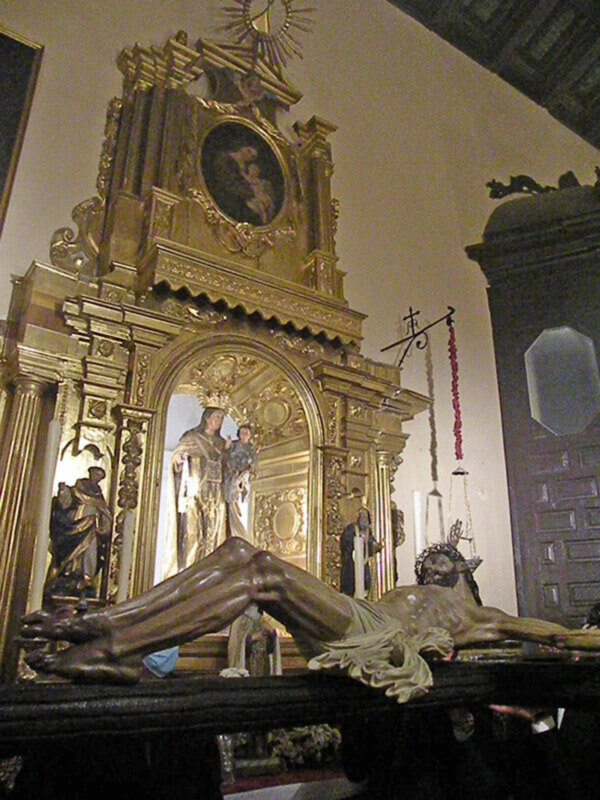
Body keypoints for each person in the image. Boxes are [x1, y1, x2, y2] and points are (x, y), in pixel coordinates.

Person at [22, 537, 600, 695]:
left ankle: (113, 646)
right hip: (359, 615)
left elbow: (555, 634)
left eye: (442, 559)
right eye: (429, 560)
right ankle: (109, 624)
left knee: (262, 573)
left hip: (373, 637)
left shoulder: (484, 614)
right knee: (236, 553)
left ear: (462, 570)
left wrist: (587, 639)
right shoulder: (411, 586)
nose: (431, 562)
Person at [163, 407, 230, 576]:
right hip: (196, 491)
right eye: (217, 416)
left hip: (216, 493)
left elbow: (228, 468)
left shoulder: (222, 443)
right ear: (207, 418)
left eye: (222, 418)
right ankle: (191, 569)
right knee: (193, 529)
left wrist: (228, 453)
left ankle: (214, 570)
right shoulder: (193, 438)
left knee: (216, 529)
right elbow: (178, 455)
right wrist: (178, 460)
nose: (220, 421)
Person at [44, 467, 112, 598]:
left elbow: (106, 514)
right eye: (95, 474)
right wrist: (63, 490)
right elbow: (65, 504)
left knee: (90, 552)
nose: (96, 477)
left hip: (92, 529)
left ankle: (86, 577)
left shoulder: (99, 496)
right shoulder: (76, 490)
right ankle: (68, 573)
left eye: (100, 476)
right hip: (74, 526)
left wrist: (104, 526)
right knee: (72, 554)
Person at [340, 507, 382, 598]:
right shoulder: (351, 529)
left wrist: (375, 546)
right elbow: (345, 541)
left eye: (365, 516)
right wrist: (357, 541)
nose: (363, 518)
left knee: (364, 582)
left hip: (364, 563)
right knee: (351, 582)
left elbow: (371, 545)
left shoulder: (368, 531)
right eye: (361, 515)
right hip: (351, 563)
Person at [223, 424, 256, 539]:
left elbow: (254, 463)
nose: (244, 435)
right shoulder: (234, 445)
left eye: (247, 433)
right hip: (232, 476)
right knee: (231, 499)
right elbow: (225, 456)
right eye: (242, 433)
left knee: (242, 499)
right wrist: (227, 447)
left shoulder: (251, 449)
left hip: (244, 478)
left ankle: (242, 531)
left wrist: (245, 473)